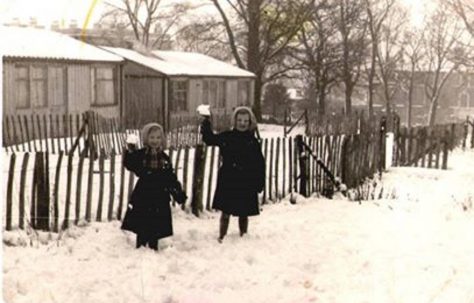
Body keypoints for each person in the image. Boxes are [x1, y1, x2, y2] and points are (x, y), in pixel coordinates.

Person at [200, 106, 265, 242]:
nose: (242, 123)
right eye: (239, 120)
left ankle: (243, 236)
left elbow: (259, 164)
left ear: (250, 122)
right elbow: (210, 139)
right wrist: (206, 121)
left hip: (246, 180)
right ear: (234, 121)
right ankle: (222, 236)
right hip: (229, 179)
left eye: (245, 121)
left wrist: (259, 183)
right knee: (226, 211)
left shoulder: (253, 142)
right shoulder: (227, 137)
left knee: (244, 212)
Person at [121, 123, 187, 250]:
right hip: (144, 193)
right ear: (146, 138)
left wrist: (178, 193)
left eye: (158, 137)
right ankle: (140, 247)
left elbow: (170, 178)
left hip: (159, 194)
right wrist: (130, 150)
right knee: (142, 222)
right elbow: (129, 164)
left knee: (156, 224)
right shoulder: (140, 155)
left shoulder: (164, 158)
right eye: (152, 137)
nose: (155, 141)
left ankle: (153, 246)